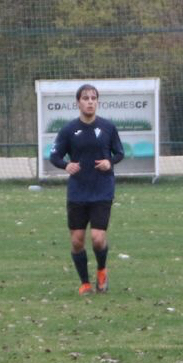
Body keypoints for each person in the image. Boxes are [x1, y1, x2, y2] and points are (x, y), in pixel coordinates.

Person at [49, 84, 124, 296]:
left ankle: (101, 271)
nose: (90, 101)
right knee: (77, 240)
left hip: (102, 189)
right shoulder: (68, 130)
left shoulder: (108, 127)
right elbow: (54, 156)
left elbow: (119, 153)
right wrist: (66, 165)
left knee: (98, 238)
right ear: (78, 102)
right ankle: (85, 282)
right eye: (85, 98)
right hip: (78, 191)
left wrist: (110, 162)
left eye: (93, 98)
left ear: (97, 101)